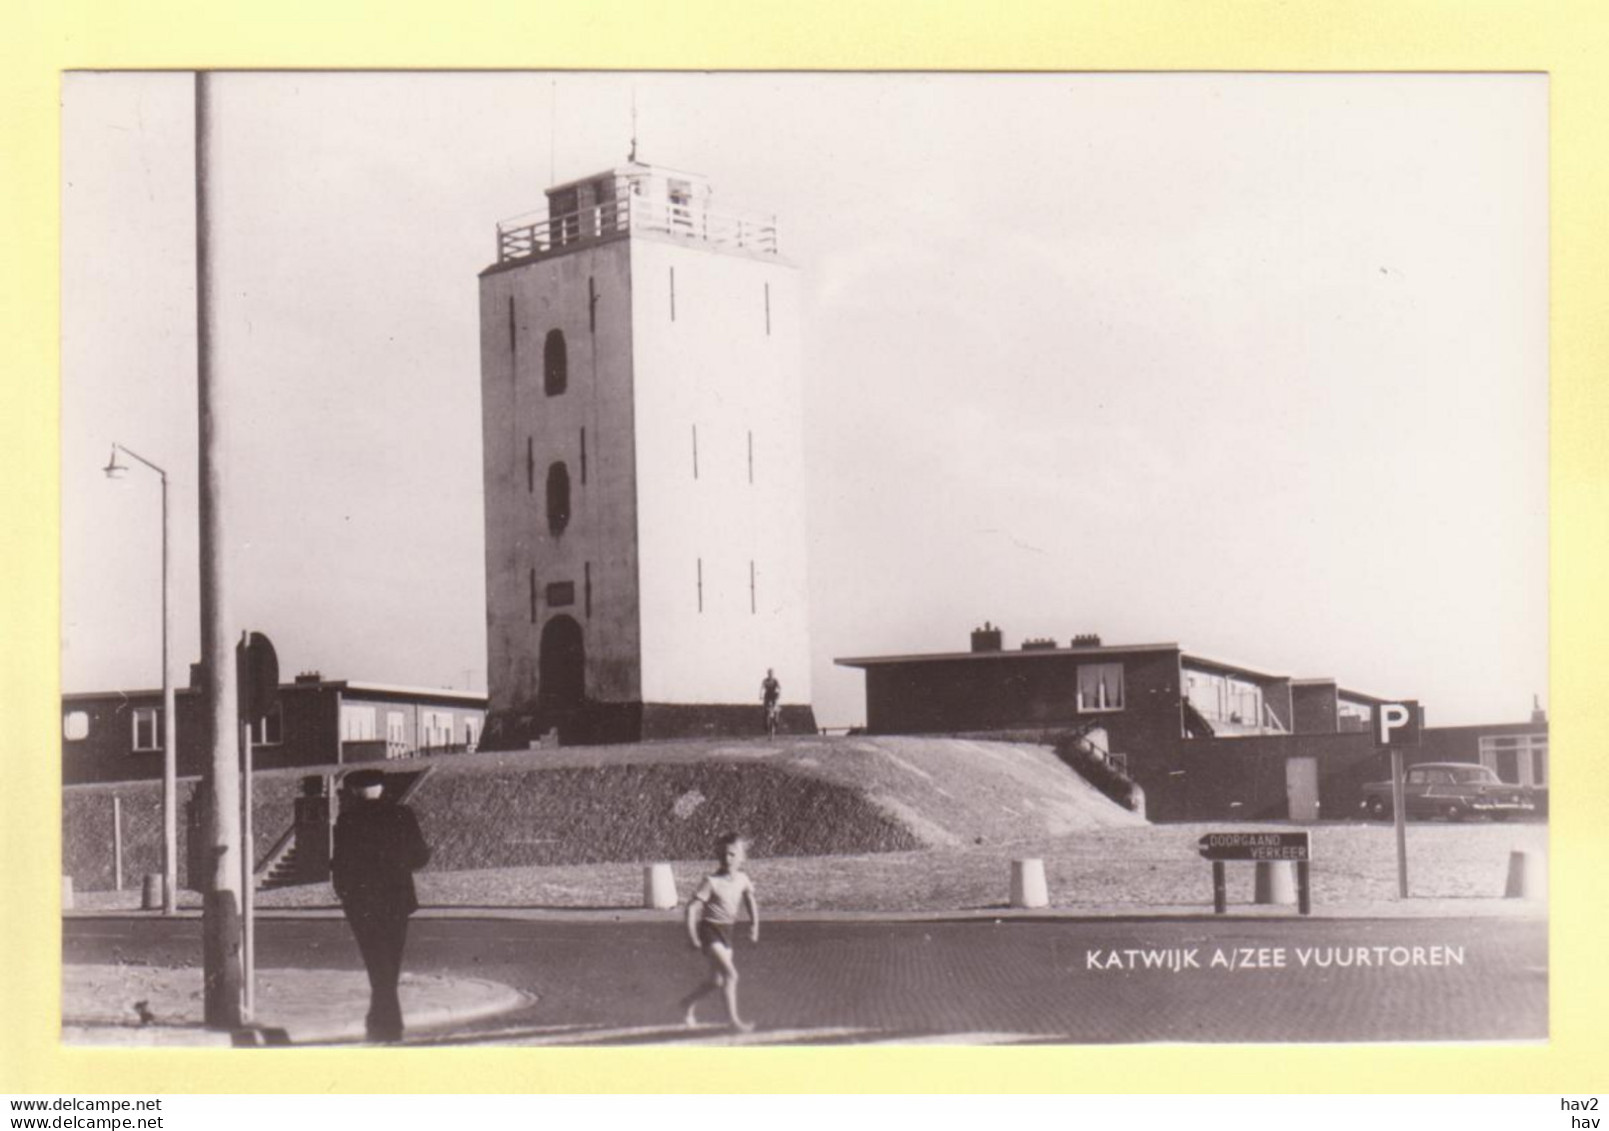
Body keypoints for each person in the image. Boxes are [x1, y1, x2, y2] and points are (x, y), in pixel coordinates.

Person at [331, 768, 431, 1043]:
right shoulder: (402, 815)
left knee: (376, 961)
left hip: (362, 902)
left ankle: (383, 1020)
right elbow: (420, 856)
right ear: (382, 789)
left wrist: (344, 893)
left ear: (354, 792)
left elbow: (340, 865)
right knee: (390, 959)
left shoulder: (348, 820)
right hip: (397, 898)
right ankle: (385, 1021)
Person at [678, 832, 760, 1032]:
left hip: (727, 931)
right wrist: (692, 936)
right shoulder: (711, 881)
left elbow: (750, 901)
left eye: (732, 854)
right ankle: (733, 1021)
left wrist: (754, 926)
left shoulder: (742, 879)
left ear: (742, 858)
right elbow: (691, 908)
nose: (727, 859)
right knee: (731, 975)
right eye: (722, 854)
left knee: (716, 981)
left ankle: (687, 1003)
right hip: (710, 931)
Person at [760, 668, 781, 737]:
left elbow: (779, 688)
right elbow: (762, 688)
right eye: (769, 673)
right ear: (767, 674)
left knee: (776, 710)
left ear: (773, 674)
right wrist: (760, 695)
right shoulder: (765, 680)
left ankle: (776, 718)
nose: (770, 674)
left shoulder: (775, 680)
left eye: (771, 673)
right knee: (765, 711)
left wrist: (778, 694)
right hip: (767, 696)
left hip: (774, 696)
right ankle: (766, 727)